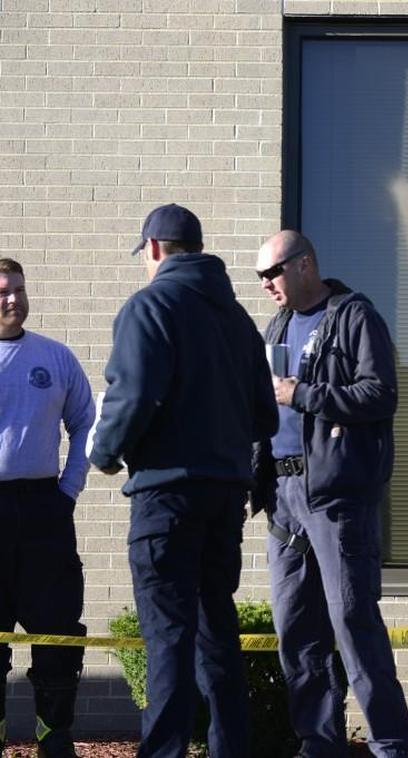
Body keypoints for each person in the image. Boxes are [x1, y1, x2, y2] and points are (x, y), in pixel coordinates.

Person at [89, 204, 278, 758]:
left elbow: (132, 395)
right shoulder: (238, 319)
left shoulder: (150, 306)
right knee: (214, 629)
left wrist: (104, 453)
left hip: (165, 495)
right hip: (224, 495)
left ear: (152, 248)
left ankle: (164, 751)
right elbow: (265, 416)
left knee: (167, 635)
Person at [250, 231, 408, 758]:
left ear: (304, 265)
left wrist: (304, 393)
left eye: (272, 272)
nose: (266, 285)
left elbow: (381, 393)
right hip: (284, 494)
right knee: (296, 629)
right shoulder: (276, 326)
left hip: (336, 497)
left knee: (352, 621)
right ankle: (318, 745)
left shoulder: (353, 316)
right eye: (261, 277)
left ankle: (390, 743)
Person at [0, 258, 94, 758]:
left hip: (44, 509)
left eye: (18, 288)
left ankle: (52, 736)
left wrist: (68, 490)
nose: (13, 299)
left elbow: (86, 422)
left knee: (57, 628)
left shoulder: (54, 358)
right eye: (2, 291)